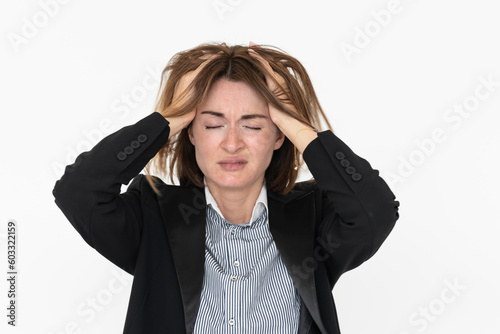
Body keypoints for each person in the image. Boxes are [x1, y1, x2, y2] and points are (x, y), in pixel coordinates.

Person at [53, 42, 400, 334]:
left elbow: (376, 212)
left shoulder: (314, 217)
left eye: (252, 124)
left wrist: (297, 122)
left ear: (279, 135)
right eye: (213, 124)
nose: (232, 144)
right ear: (190, 132)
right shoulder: (152, 214)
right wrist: (167, 118)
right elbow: (78, 192)